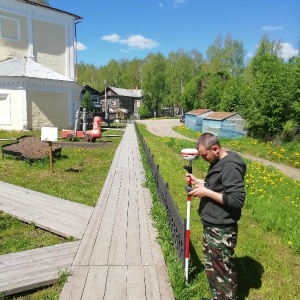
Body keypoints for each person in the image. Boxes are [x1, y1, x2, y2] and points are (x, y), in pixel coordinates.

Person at [186, 132, 246, 300]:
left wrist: (206, 192)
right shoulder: (219, 161)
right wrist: (200, 183)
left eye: (205, 155)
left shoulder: (231, 167)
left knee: (223, 270)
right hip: (212, 225)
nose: (204, 159)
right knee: (213, 266)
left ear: (215, 148)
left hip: (222, 229)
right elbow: (218, 188)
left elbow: (236, 200)